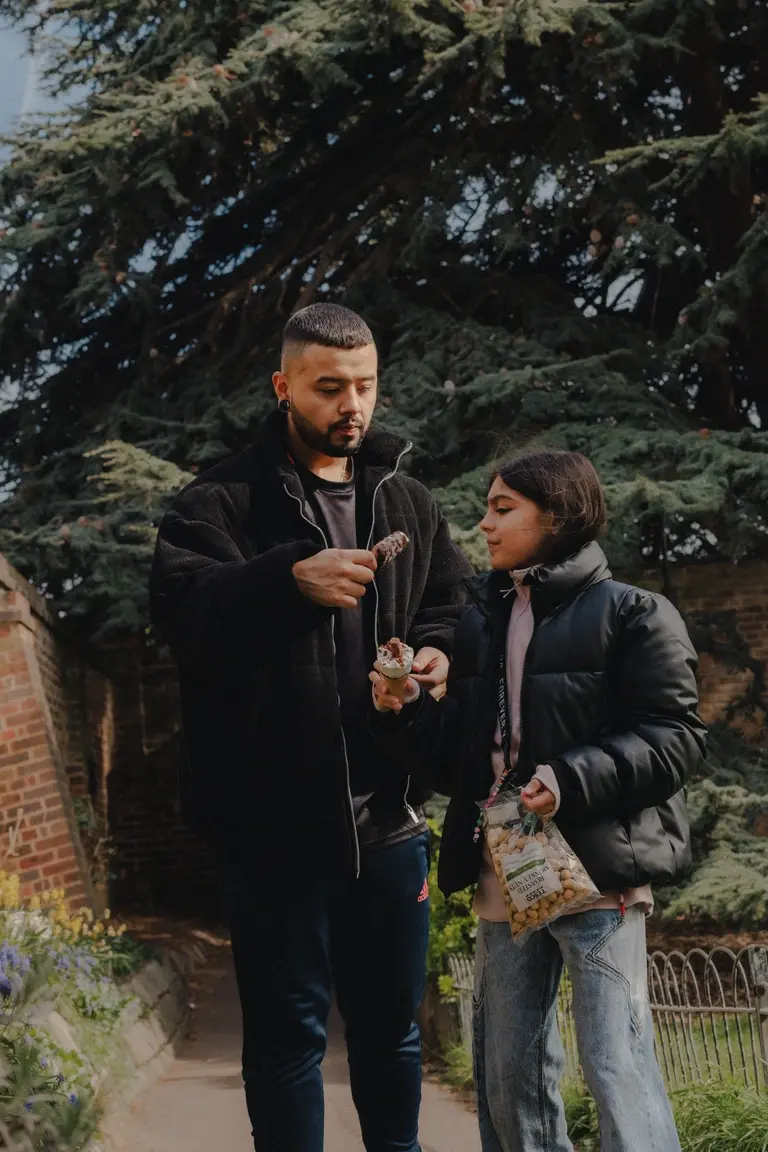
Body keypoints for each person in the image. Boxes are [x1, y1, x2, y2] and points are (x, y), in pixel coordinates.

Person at [148, 302, 473, 1152]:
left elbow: (452, 604)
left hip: (390, 818)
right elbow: (187, 619)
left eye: (365, 386)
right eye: (330, 388)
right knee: (289, 1043)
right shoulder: (215, 502)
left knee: (392, 1034)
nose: (352, 405)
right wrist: (288, 581)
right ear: (283, 386)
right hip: (273, 829)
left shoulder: (407, 496)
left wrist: (438, 656)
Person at [370, 450, 706, 1152]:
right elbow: (457, 761)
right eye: (488, 507)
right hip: (507, 872)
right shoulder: (479, 624)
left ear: (557, 517)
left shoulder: (635, 614)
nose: (484, 525)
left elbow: (677, 740)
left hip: (598, 875)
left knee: (617, 1065)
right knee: (508, 1075)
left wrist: (570, 778)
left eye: (503, 509)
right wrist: (402, 708)